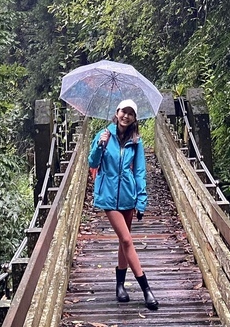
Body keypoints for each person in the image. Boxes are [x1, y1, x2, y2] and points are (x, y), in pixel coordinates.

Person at [87, 98, 158, 310]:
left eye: (130, 113)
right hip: (108, 197)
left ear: (134, 118)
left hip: (128, 196)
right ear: (116, 113)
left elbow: (139, 172)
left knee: (122, 242)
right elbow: (92, 162)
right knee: (127, 239)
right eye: (123, 111)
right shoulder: (103, 135)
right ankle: (146, 289)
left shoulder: (136, 141)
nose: (126, 116)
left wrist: (141, 201)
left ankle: (120, 286)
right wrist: (100, 144)